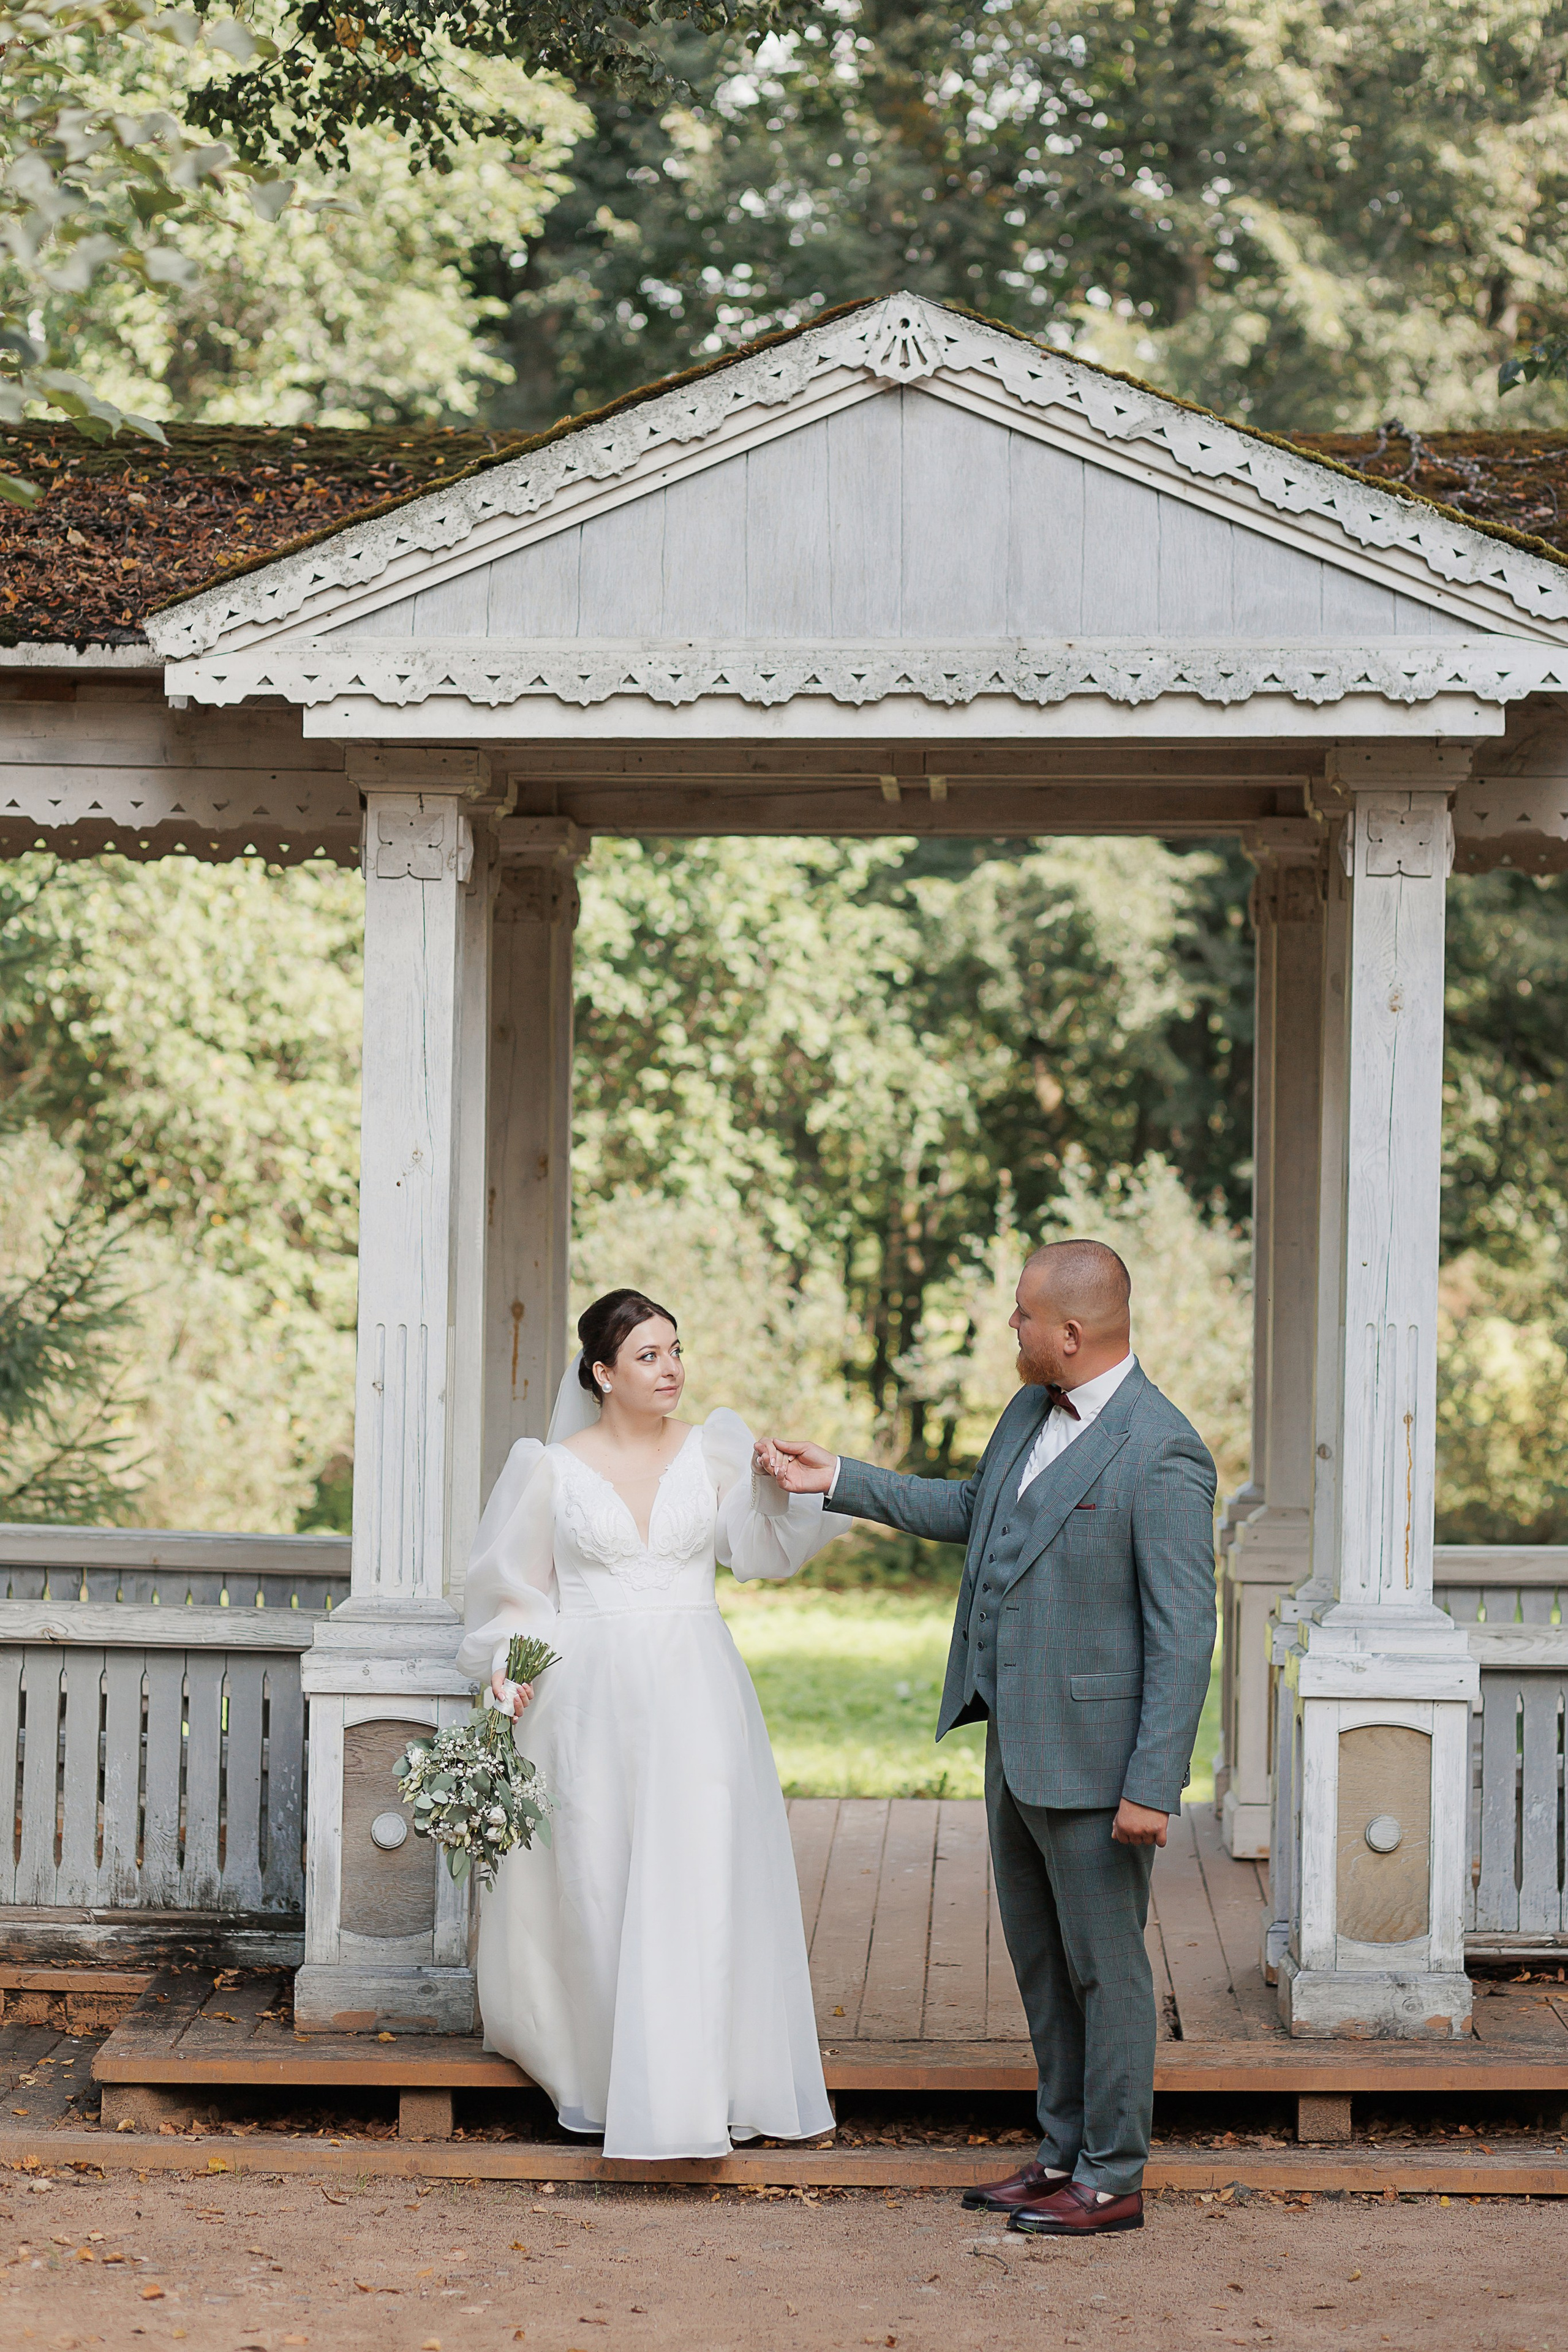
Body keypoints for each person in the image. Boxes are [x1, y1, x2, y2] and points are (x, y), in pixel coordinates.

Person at [757, 1238, 1216, 2236]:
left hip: (1100, 1767)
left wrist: (1154, 1783)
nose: (1010, 1329)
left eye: (1020, 1316)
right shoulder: (1025, 1412)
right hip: (1015, 1745)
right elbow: (975, 1512)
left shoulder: (1163, 1448)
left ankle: (1113, 2174)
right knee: (1044, 1967)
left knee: (1109, 1969)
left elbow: (1186, 1632)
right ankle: (1061, 2153)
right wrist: (835, 1475)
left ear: (1071, 1332)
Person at [457, 1287, 846, 2161]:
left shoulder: (713, 1449)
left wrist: (769, 1487)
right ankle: (608, 2080)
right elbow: (517, 1595)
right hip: (585, 1702)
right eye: (648, 1356)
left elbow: (761, 1550)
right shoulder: (548, 1469)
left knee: (703, 1874)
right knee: (599, 1879)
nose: (670, 1369)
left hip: (696, 1690)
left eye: (676, 1350)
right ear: (602, 1373)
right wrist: (509, 1673)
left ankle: (709, 2083)